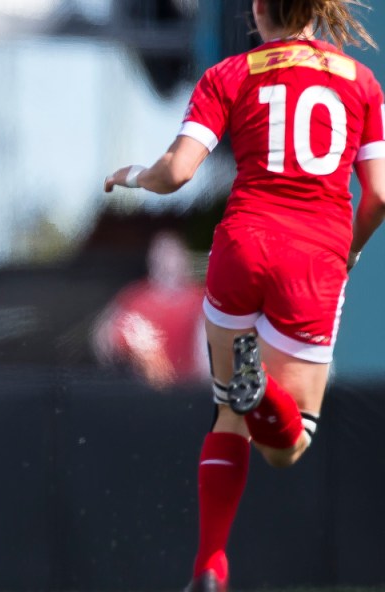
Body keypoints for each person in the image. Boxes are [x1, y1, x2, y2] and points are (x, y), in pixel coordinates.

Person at [105, 1, 385, 590]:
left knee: (225, 414)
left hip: (242, 247)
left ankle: (209, 564)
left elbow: (177, 172)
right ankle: (264, 400)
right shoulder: (361, 82)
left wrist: (131, 175)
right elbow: (379, 196)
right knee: (287, 445)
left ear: (258, 9)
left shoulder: (229, 74)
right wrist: (351, 250)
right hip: (313, 260)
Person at [91, 231, 208, 390]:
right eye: (161, 254)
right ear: (151, 259)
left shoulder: (201, 300)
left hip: (191, 391)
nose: (166, 260)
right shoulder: (134, 298)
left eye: (172, 254)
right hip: (145, 393)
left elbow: (212, 352)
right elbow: (103, 338)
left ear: (183, 258)